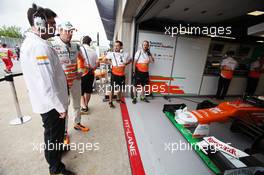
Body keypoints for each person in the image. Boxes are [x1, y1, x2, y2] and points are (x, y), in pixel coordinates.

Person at [20, 4, 74, 175]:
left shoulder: (37, 43)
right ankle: (55, 167)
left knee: (54, 135)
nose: (54, 27)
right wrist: (60, 107)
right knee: (53, 136)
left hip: (49, 102)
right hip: (51, 105)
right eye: (51, 23)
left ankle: (55, 155)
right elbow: (46, 83)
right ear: (39, 23)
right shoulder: (39, 47)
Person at [51, 21, 89, 133]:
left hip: (76, 81)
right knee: (64, 108)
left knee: (77, 105)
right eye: (67, 31)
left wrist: (81, 72)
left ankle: (77, 123)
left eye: (71, 31)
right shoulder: (52, 45)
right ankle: (64, 132)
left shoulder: (76, 46)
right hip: (62, 83)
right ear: (60, 31)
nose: (69, 33)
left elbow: (83, 60)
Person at [105, 40, 132, 108]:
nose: (116, 47)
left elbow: (131, 59)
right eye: (115, 46)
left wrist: (127, 63)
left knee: (120, 88)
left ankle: (118, 99)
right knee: (112, 88)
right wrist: (112, 64)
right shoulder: (111, 53)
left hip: (122, 74)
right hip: (114, 74)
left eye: (117, 46)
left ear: (121, 46)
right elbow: (104, 59)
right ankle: (110, 102)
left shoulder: (126, 54)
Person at [79, 36, 99, 112]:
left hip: (82, 73)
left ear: (82, 41)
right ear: (90, 43)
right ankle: (86, 104)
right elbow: (97, 63)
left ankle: (84, 106)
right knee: (88, 90)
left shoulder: (80, 49)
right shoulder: (93, 51)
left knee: (80, 91)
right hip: (91, 73)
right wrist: (93, 68)